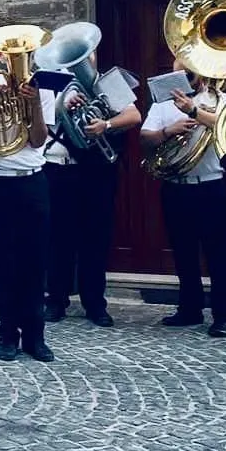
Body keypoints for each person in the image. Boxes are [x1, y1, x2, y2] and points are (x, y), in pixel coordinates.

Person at [0, 46, 57, 362]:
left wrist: (33, 103)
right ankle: (7, 334)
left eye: (24, 51)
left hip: (31, 179)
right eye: (8, 53)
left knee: (35, 259)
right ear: (0, 57)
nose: (15, 57)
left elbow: (39, 139)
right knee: (1, 261)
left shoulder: (41, 86)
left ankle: (35, 335)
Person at [45, 53, 141, 328]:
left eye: (87, 56)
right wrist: (63, 103)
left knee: (96, 239)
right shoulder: (52, 83)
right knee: (58, 238)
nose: (83, 62)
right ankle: (56, 300)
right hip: (59, 169)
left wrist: (106, 124)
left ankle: (95, 304)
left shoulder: (108, 82)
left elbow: (134, 115)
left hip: (96, 171)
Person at [141, 71, 226, 337]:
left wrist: (194, 111)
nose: (184, 73)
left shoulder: (223, 100)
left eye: (190, 69)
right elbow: (145, 138)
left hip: (210, 185)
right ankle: (190, 308)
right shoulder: (162, 103)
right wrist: (167, 131)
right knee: (183, 252)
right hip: (176, 186)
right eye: (180, 68)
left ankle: (224, 314)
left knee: (220, 254)